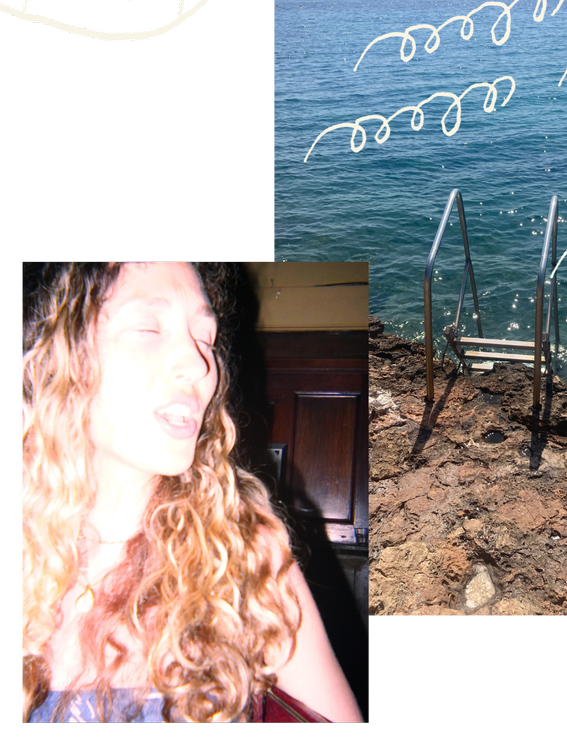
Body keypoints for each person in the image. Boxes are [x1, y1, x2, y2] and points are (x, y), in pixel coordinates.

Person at [22, 263, 362, 727]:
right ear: (59, 355)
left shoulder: (248, 554)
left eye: (205, 337)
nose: (199, 365)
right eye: (148, 328)